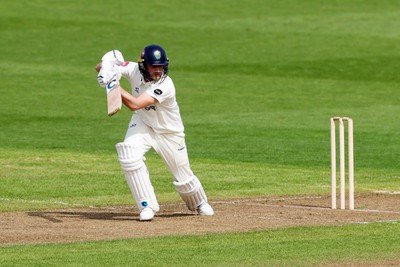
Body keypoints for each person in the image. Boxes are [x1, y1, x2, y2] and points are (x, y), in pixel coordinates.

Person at [96, 45, 214, 221]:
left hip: (169, 132)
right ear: (143, 65)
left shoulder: (166, 85)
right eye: (154, 66)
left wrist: (114, 86)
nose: (158, 71)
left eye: (161, 66)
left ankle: (199, 202)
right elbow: (102, 69)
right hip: (143, 123)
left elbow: (135, 104)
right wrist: (106, 68)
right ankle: (146, 206)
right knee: (128, 154)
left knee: (183, 175)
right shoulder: (134, 69)